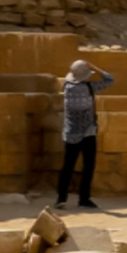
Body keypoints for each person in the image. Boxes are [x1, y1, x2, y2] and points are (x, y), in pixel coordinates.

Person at [54, 56, 112, 210]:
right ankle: (84, 198)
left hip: (70, 132)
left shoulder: (66, 86)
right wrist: (95, 67)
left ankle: (61, 198)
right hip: (88, 132)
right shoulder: (90, 87)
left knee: (67, 167)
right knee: (88, 167)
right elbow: (109, 80)